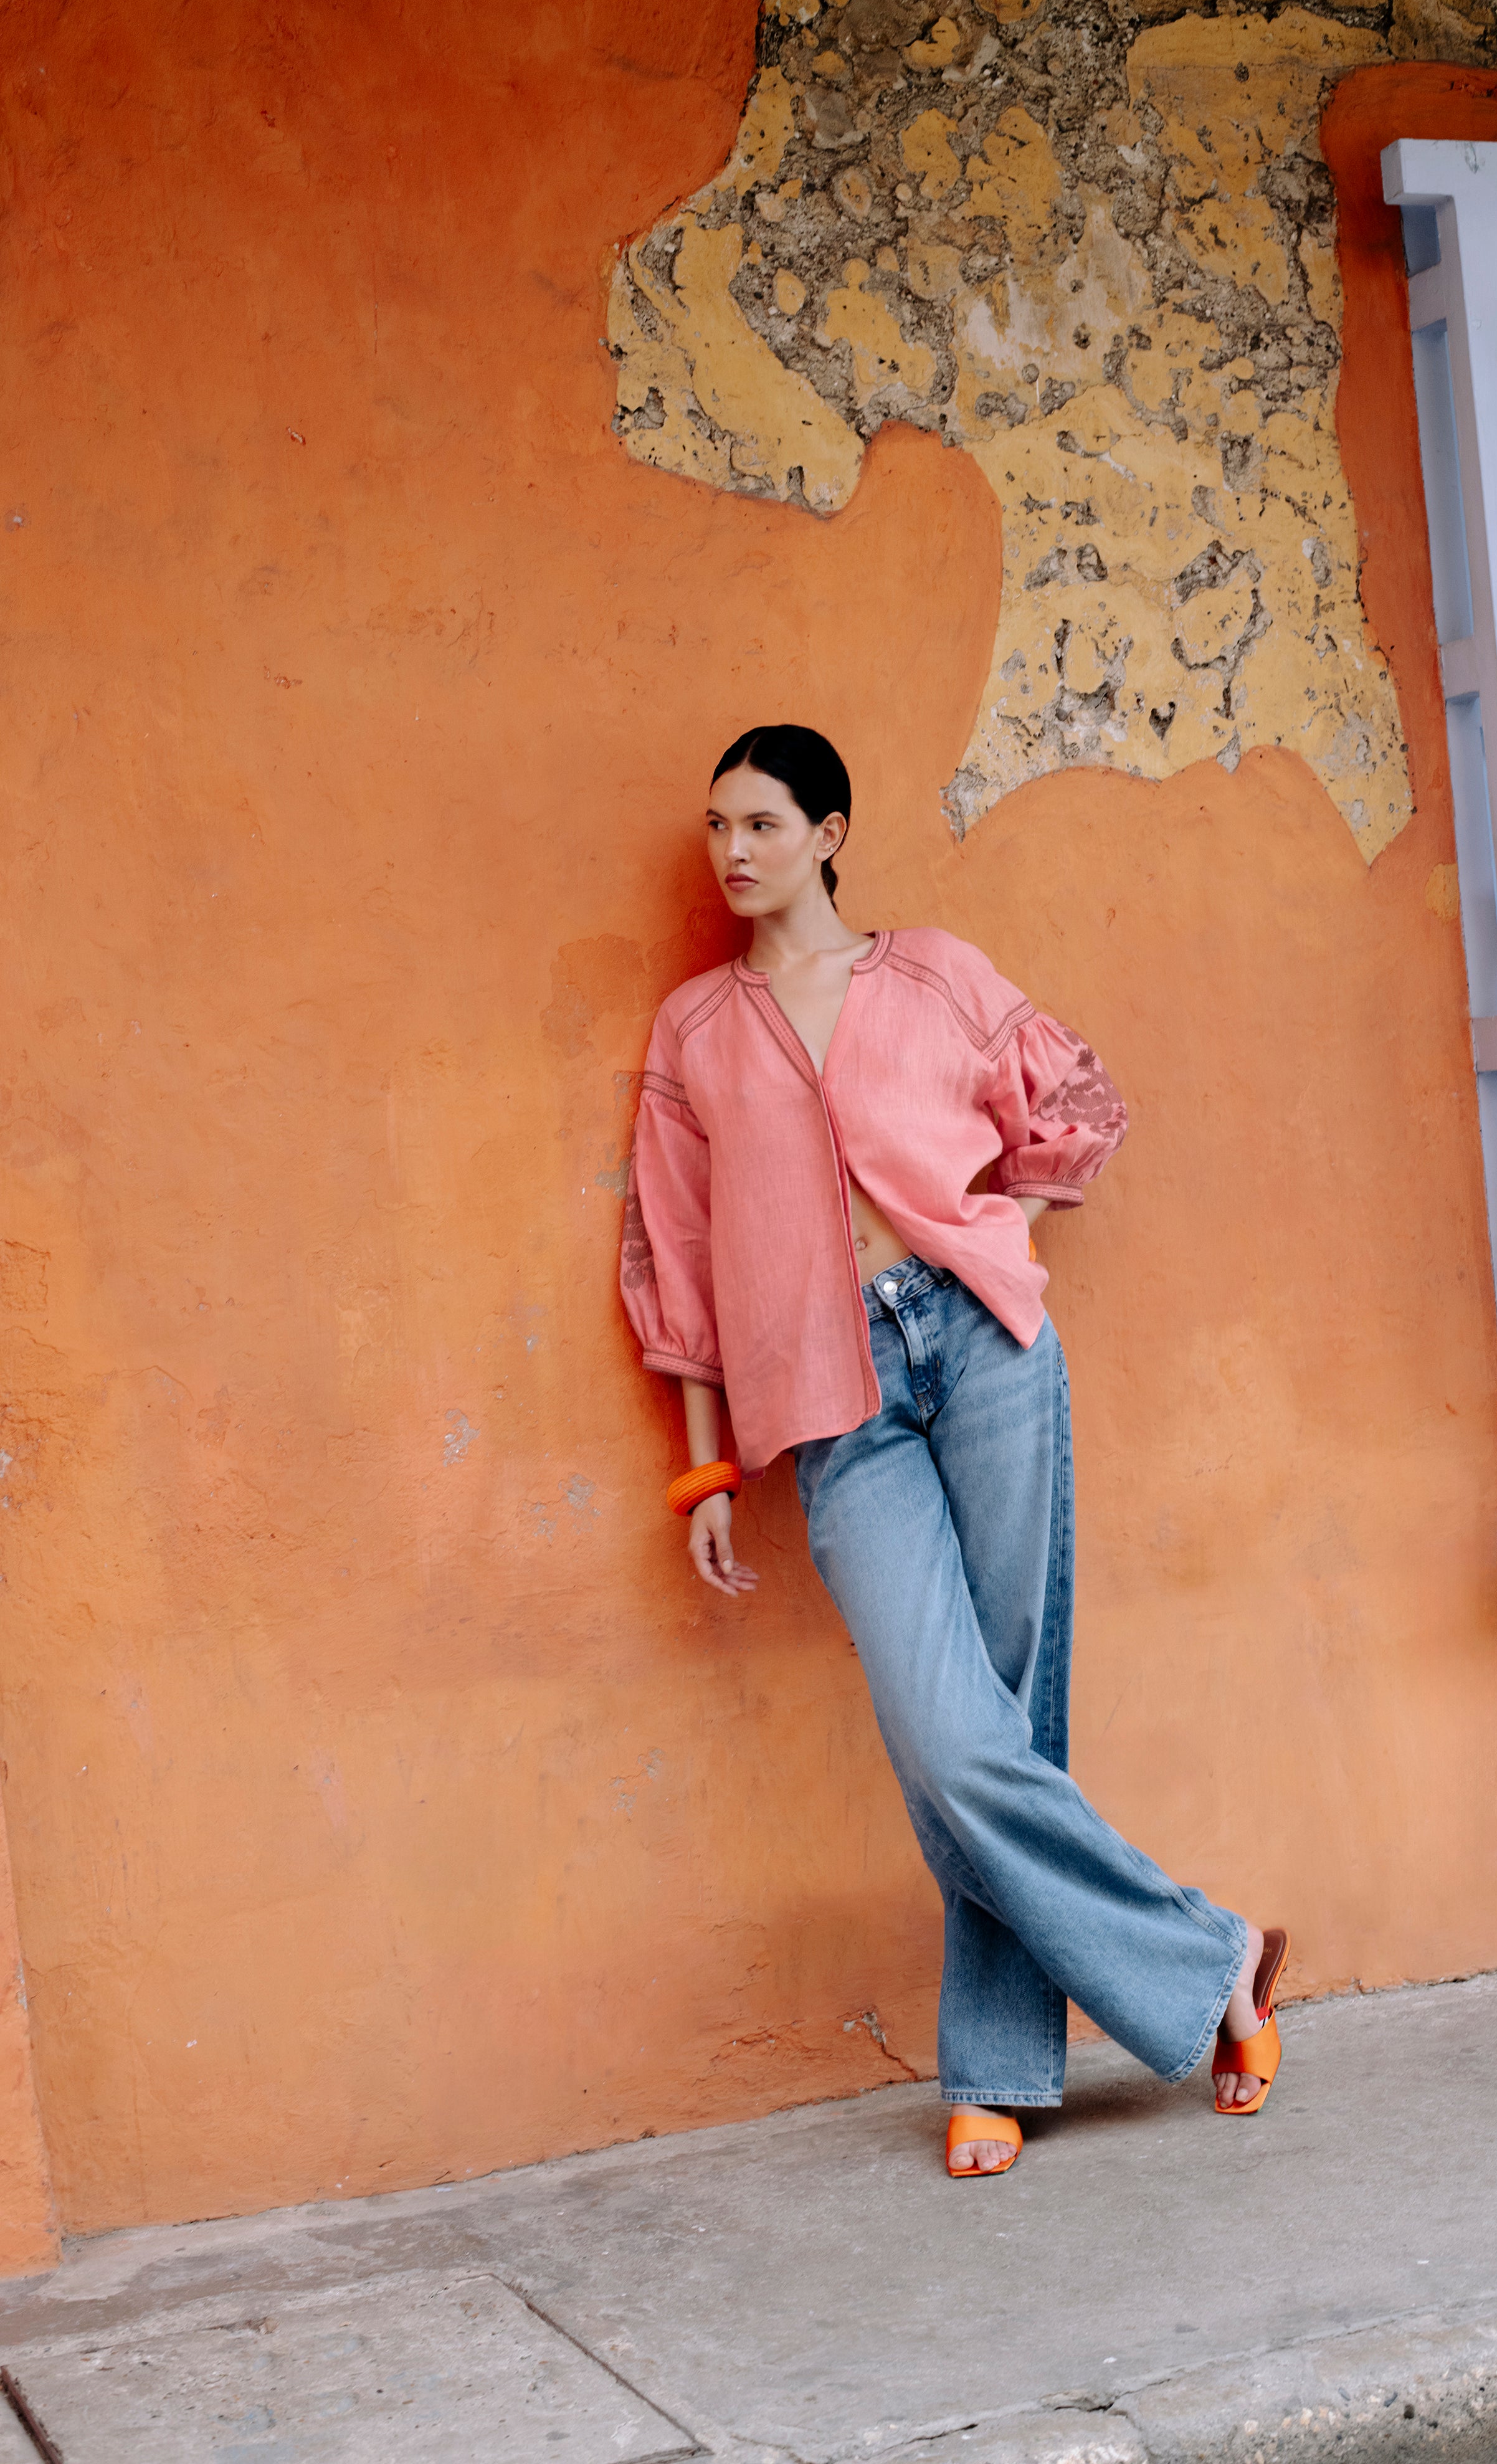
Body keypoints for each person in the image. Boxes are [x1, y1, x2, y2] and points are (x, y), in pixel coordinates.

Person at [620, 724, 1286, 2176]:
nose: (733, 850)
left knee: (1009, 1716)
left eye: (761, 823)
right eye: (717, 825)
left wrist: (991, 1239)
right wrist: (703, 1467)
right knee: (948, 1738)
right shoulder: (693, 1030)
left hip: (980, 1345)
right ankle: (1211, 1954)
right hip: (828, 1396)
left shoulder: (928, 972)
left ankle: (995, 2068)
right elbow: (672, 1252)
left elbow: (1075, 1105)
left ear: (828, 834)